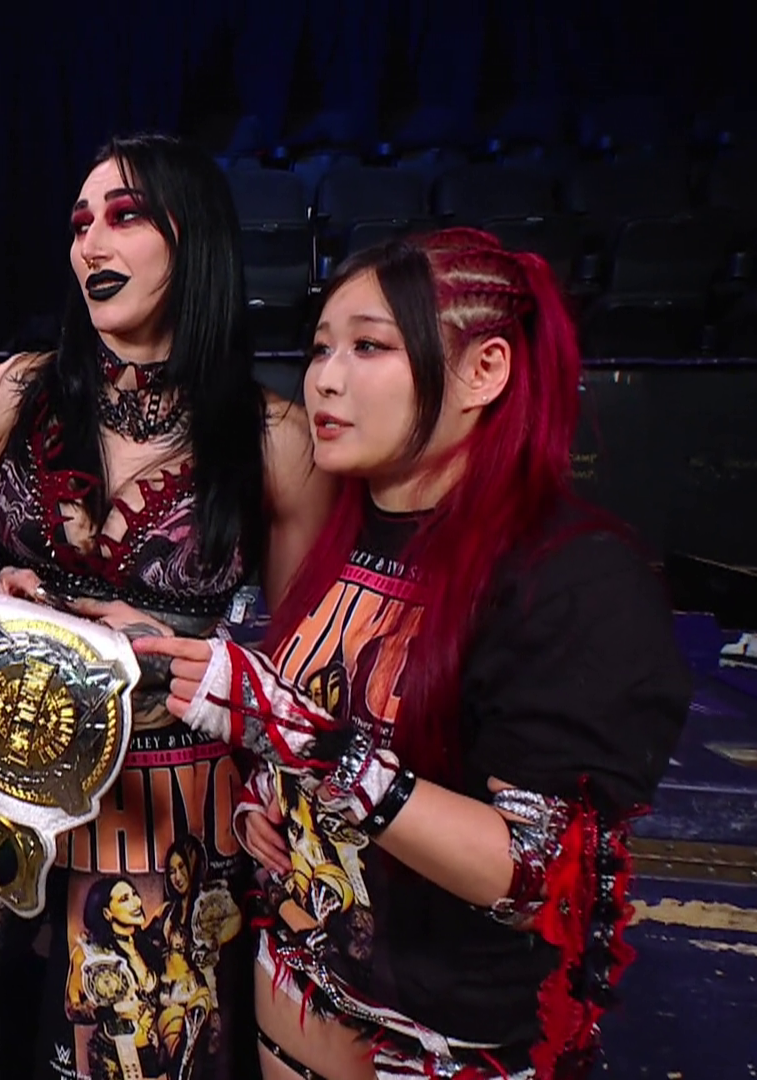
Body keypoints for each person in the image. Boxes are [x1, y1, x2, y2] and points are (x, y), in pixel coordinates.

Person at [134, 228, 692, 1079]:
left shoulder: (576, 580)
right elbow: (328, 736)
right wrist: (267, 806)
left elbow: (534, 872)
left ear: (484, 371)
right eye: (321, 347)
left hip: (435, 1051)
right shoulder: (348, 533)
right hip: (289, 1015)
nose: (324, 378)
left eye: (369, 347)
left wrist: (300, 740)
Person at [0, 132, 332, 1080]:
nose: (92, 241)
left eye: (125, 216)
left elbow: (297, 664)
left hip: (163, 804)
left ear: (194, 239)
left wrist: (190, 660)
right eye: (80, 221)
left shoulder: (275, 440)